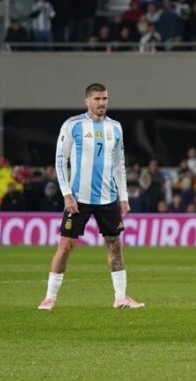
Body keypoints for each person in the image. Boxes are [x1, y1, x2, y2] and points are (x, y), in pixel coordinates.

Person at [38, 83, 144, 310]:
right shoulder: (73, 125)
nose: (102, 103)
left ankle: (121, 297)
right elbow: (60, 161)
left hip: (108, 198)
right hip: (78, 198)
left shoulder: (115, 128)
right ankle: (50, 297)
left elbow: (119, 164)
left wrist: (123, 197)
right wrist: (67, 195)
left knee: (115, 245)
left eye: (105, 98)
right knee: (66, 245)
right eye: (97, 99)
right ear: (87, 101)